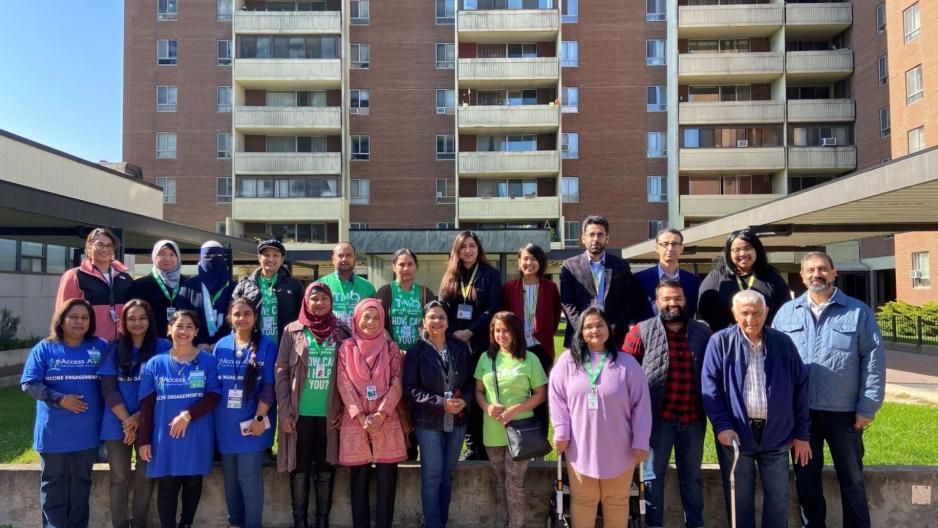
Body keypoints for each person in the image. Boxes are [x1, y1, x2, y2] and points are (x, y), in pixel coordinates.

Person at [772, 252, 886, 528]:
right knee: (806, 480)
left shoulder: (858, 312)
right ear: (802, 276)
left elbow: (873, 360)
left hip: (844, 413)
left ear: (834, 273)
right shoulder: (787, 313)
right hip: (802, 415)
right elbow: (774, 363)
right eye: (810, 270)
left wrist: (867, 407)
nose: (816, 274)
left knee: (852, 479)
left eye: (822, 269)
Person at [701, 290, 811, 528]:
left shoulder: (783, 343)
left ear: (767, 312)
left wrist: (802, 433)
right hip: (737, 436)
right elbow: (710, 389)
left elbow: (801, 387)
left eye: (757, 313)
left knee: (778, 500)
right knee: (739, 502)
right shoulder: (720, 342)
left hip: (777, 435)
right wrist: (722, 426)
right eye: (745, 313)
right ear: (734, 313)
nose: (751, 319)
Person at [549, 307, 652, 528]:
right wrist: (561, 432)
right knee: (584, 501)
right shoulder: (567, 362)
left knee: (616, 502)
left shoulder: (627, 363)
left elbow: (642, 406)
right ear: (580, 332)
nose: (594, 331)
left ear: (609, 328)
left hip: (620, 448)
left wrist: (641, 441)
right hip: (580, 447)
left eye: (599, 325)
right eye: (588, 327)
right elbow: (557, 400)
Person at [622, 279, 711, 528]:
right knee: (652, 477)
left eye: (678, 299)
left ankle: (695, 524)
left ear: (685, 301)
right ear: (656, 302)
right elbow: (624, 375)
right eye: (667, 299)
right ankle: (654, 524)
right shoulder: (640, 331)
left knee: (692, 477)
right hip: (656, 419)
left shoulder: (702, 332)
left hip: (693, 419)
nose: (673, 303)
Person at [21, 298, 106, 528]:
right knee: (53, 485)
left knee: (81, 484)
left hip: (87, 433)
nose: (79, 322)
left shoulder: (100, 347)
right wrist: (60, 399)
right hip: (54, 434)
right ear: (62, 320)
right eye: (74, 317)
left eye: (85, 318)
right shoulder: (45, 348)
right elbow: (29, 383)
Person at [276, 282, 352, 528]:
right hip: (300, 414)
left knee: (325, 467)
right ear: (306, 302)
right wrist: (285, 411)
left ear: (331, 302)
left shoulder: (341, 332)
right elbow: (281, 372)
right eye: (314, 299)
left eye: (324, 299)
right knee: (298, 467)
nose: (319, 303)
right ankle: (300, 521)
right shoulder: (292, 330)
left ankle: (322, 520)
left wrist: (343, 409)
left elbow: (349, 373)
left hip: (329, 413)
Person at [137, 310, 221, 528]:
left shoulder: (207, 361)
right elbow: (146, 405)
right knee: (167, 486)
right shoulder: (156, 363)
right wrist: (144, 440)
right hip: (165, 436)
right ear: (169, 330)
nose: (184, 331)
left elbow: (213, 396)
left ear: (196, 332)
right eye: (179, 326)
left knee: (193, 482)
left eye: (189, 327)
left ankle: (186, 524)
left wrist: (188, 415)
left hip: (197, 432)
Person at [335, 299, 408, 528]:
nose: (371, 322)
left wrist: (381, 414)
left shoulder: (391, 347)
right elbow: (343, 383)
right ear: (356, 319)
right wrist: (359, 416)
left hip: (386, 419)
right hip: (355, 421)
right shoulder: (346, 347)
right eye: (366, 317)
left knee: (387, 481)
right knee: (358, 481)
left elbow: (397, 382)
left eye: (376, 318)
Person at [99, 299, 171, 528]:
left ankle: (139, 523)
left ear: (150, 320)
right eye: (131, 318)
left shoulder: (163, 347)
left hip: (149, 421)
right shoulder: (114, 348)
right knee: (119, 478)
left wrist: (138, 419)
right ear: (124, 322)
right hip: (116, 423)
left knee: (145, 477)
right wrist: (128, 421)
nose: (137, 323)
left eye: (142, 318)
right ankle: (119, 525)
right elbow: (108, 388)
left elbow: (165, 387)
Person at [402, 300, 474, 528]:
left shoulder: (460, 348)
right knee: (432, 477)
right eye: (432, 317)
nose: (437, 321)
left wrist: (464, 401)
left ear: (448, 321)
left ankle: (440, 521)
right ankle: (433, 524)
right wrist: (441, 403)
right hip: (428, 423)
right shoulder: (417, 351)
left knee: (447, 475)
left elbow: (473, 382)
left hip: (457, 421)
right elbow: (411, 389)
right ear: (424, 321)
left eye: (441, 317)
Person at [473, 311, 547, 528]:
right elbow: (478, 391)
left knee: (514, 483)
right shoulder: (486, 358)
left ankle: (517, 525)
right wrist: (487, 407)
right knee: (500, 482)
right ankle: (505, 521)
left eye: (506, 330)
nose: (501, 335)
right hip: (493, 431)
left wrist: (517, 408)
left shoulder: (530, 359)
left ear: (515, 332)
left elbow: (541, 394)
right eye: (497, 330)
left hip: (521, 430)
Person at [213, 298, 278, 528]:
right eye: (237, 314)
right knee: (230, 478)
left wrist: (260, 418)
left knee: (249, 478)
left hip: (254, 422)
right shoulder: (221, 345)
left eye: (247, 313)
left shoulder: (268, 346)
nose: (242, 318)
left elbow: (269, 387)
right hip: (225, 424)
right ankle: (235, 523)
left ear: (255, 317)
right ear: (230, 317)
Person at [438, 230, 502, 460]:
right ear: (457, 250)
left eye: (472, 245)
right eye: (463, 246)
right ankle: (471, 445)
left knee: (482, 393)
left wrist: (470, 331)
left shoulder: (490, 274)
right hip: (456, 345)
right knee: (463, 394)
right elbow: (443, 307)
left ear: (479, 249)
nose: (468, 250)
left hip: (482, 344)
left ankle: (486, 446)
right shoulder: (450, 276)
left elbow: (492, 308)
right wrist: (455, 333)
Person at [500, 243, 561, 433]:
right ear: (518, 262)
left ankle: (539, 441)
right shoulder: (509, 287)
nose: (529, 262)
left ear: (540, 262)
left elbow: (556, 315)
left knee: (541, 397)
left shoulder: (550, 287)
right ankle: (516, 437)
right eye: (525, 258)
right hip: (515, 348)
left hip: (541, 349)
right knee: (516, 393)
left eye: (534, 258)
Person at [560, 215, 641, 348]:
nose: (595, 239)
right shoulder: (570, 266)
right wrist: (584, 328)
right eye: (591, 234)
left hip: (615, 337)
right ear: (583, 238)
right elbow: (567, 303)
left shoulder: (621, 265)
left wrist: (613, 328)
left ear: (607, 238)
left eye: (600, 235)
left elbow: (630, 302)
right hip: (580, 337)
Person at [698, 229, 791, 332]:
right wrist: (731, 330)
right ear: (729, 253)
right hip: (727, 339)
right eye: (736, 250)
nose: (742, 253)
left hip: (765, 338)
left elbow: (785, 310)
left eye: (748, 248)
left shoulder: (772, 277)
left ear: (757, 250)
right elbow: (705, 309)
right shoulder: (717, 276)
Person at [56, 227, 133, 341]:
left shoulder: (125, 277)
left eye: (109, 245)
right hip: (88, 344)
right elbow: (62, 313)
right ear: (88, 247)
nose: (105, 249)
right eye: (100, 245)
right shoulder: (74, 276)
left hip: (121, 345)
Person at [231, 239, 303, 343]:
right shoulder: (244, 286)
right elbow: (234, 317)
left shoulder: (294, 286)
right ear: (259, 258)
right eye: (266, 255)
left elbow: (302, 317)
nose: (271, 259)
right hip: (253, 346)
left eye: (275, 255)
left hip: (285, 346)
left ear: (282, 259)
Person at [375, 248, 436, 352]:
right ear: (394, 267)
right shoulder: (384, 292)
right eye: (402, 265)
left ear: (416, 267)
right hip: (391, 353)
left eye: (410, 264)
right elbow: (376, 322)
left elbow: (434, 322)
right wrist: (392, 348)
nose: (406, 268)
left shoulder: (426, 293)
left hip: (420, 354)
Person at [178, 241, 236, 349]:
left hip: (227, 347)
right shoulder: (189, 286)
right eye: (207, 256)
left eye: (217, 256)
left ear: (223, 259)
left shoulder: (234, 287)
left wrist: (221, 342)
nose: (212, 259)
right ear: (200, 259)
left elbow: (238, 319)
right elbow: (180, 317)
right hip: (195, 348)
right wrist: (197, 341)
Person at [634, 228, 701, 319]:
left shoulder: (693, 281)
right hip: (649, 331)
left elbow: (691, 310)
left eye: (675, 244)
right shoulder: (639, 279)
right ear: (657, 248)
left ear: (681, 248)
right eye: (665, 244)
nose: (670, 248)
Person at [127, 239, 187, 337]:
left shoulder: (188, 284)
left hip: (182, 340)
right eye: (162, 254)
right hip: (150, 341)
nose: (167, 258)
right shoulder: (140, 285)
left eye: (172, 254)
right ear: (154, 256)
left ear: (178, 258)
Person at [318, 241, 376, 326]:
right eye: (340, 256)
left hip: (358, 339)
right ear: (333, 259)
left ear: (355, 259)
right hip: (329, 338)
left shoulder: (368, 287)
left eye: (348, 255)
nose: (344, 259)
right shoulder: (320, 285)